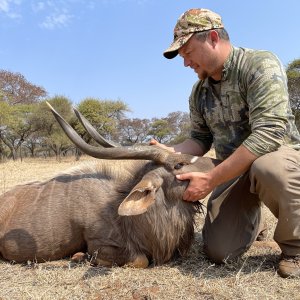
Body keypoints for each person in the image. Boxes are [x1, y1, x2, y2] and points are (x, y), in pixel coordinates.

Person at [151, 8, 300, 278]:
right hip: (234, 169)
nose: (185, 63)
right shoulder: (199, 91)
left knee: (269, 168)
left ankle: (296, 248)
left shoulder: (260, 64)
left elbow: (269, 132)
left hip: (276, 157)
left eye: (187, 53)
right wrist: (171, 152)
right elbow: (199, 139)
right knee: (220, 252)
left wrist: (211, 180)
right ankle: (254, 224)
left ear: (212, 38)